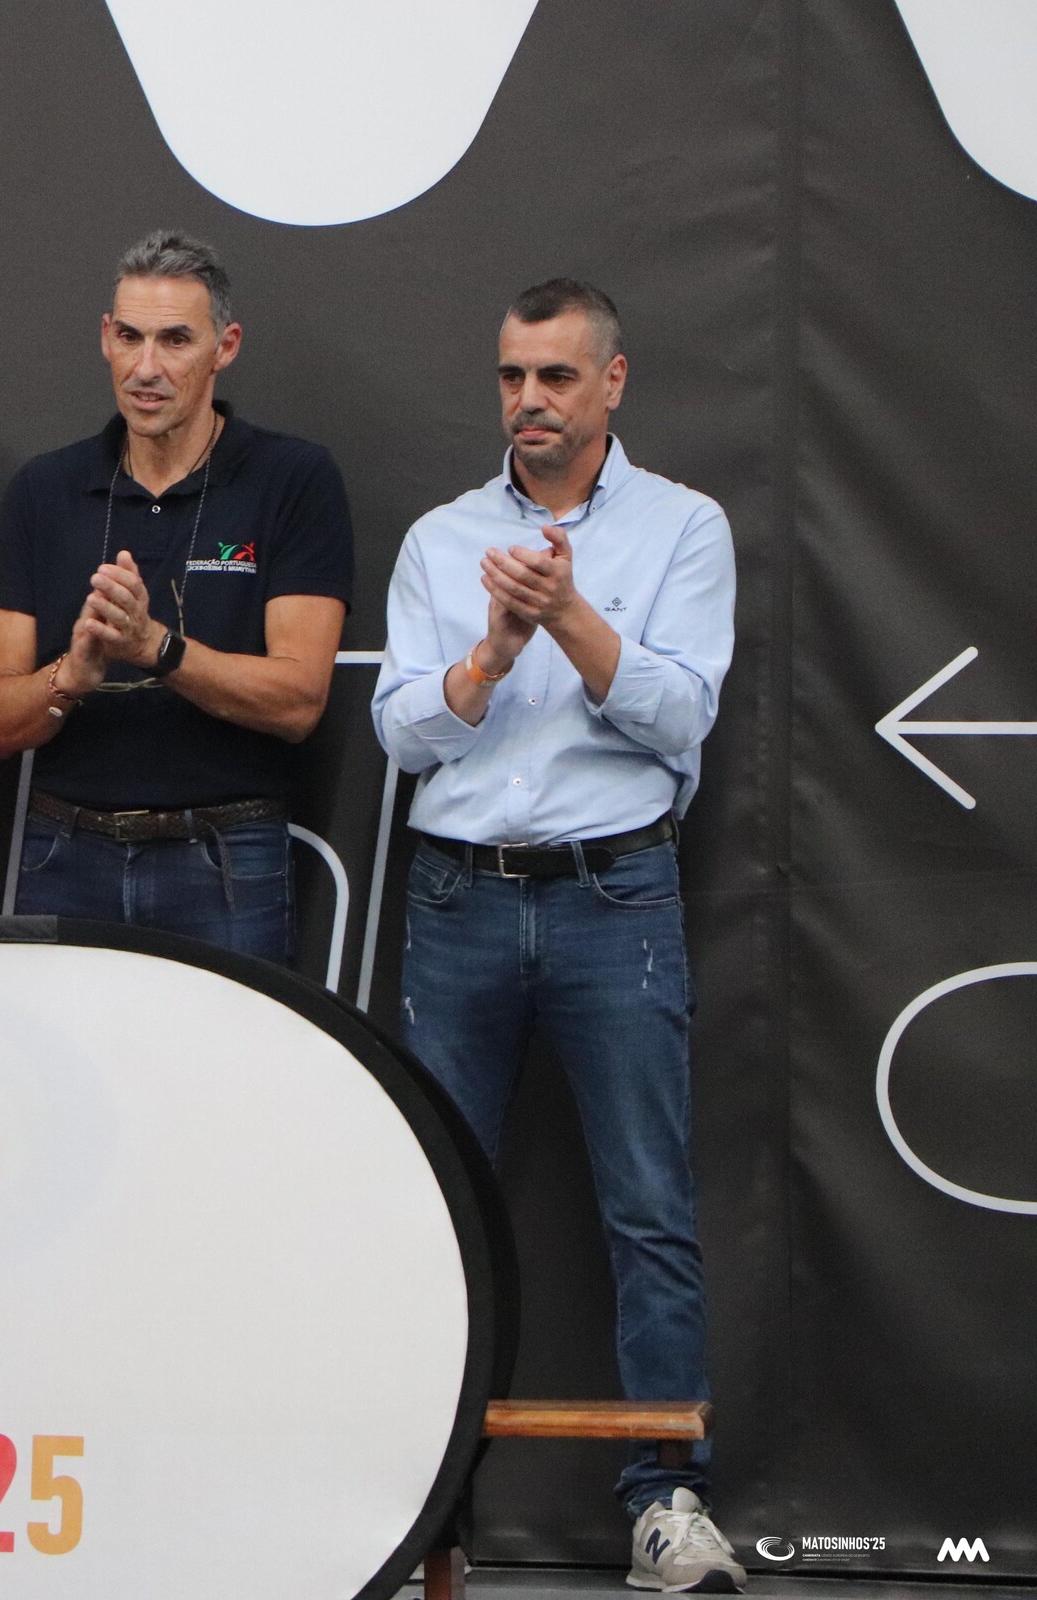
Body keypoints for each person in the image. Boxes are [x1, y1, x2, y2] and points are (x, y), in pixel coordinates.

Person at [372, 280, 743, 1593]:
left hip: (614, 892)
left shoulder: (685, 527)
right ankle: (429, 1507)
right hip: (458, 897)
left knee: (647, 1204)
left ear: (613, 382)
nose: (528, 400)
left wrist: (571, 617)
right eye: (511, 376)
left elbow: (683, 717)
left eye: (556, 377)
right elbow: (400, 732)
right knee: (438, 1208)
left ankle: (669, 1503)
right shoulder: (443, 539)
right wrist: (490, 651)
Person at [0, 230, 354, 960]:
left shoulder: (291, 479)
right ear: (105, 338)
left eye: (175, 340)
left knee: (229, 1044)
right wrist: (71, 677)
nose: (146, 368)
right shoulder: (44, 490)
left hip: (225, 854)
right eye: (130, 337)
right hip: (64, 850)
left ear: (225, 346)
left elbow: (299, 701)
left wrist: (156, 648)